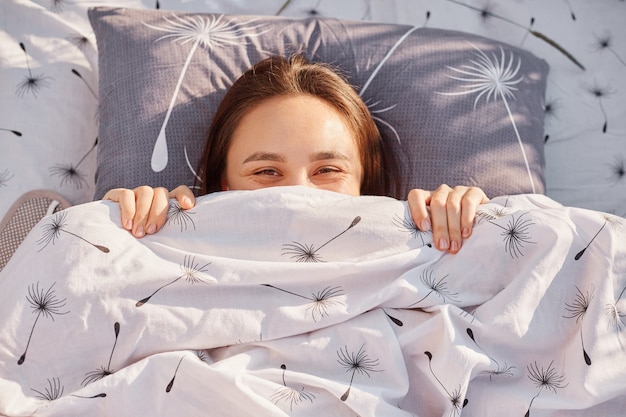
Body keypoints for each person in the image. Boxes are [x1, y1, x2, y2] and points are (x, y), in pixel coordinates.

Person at [103, 54, 489, 254]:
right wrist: (114, 232)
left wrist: (477, 229)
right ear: (224, 183)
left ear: (364, 185)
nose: (300, 194)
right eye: (267, 171)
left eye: (327, 170)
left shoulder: (426, 251)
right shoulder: (163, 246)